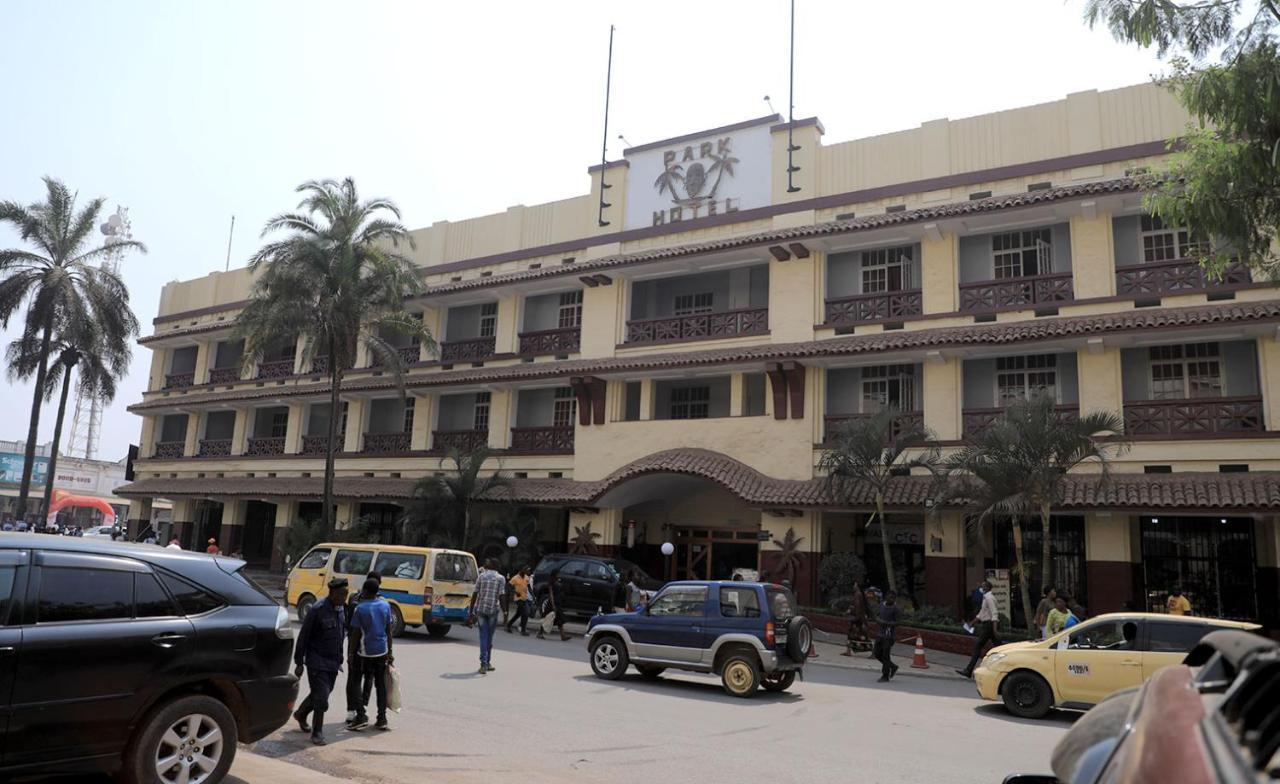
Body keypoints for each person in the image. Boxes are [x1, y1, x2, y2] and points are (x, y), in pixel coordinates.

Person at [293, 578, 349, 745]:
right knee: (322, 698)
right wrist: (299, 662)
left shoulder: (341, 609)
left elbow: (340, 634)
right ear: (332, 593)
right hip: (317, 661)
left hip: (333, 662)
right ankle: (317, 732)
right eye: (341, 594)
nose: (344, 597)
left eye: (346, 594)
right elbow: (303, 637)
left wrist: (340, 656)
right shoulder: (317, 610)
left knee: (322, 693)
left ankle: (301, 713)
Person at [349, 577, 394, 731]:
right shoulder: (385, 605)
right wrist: (390, 653)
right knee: (380, 685)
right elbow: (388, 631)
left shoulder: (360, 608)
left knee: (355, 682)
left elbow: (355, 634)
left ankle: (361, 714)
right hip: (382, 651)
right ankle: (382, 718)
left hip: (365, 652)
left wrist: (350, 654)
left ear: (366, 591)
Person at [346, 570, 382, 724]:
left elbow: (349, 625)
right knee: (368, 677)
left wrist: (350, 652)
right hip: (370, 646)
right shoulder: (381, 602)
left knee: (354, 677)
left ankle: (352, 709)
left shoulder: (353, 598)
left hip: (354, 643)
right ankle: (362, 708)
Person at [957, 580, 1000, 679]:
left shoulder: (989, 598)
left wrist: (995, 629)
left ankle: (968, 670)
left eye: (983, 587)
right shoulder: (986, 598)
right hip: (988, 625)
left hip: (989, 626)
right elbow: (981, 614)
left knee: (977, 647)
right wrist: (971, 623)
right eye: (982, 586)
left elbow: (994, 614)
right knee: (998, 648)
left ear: (988, 588)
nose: (982, 588)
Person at [470, 558, 505, 673]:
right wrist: (505, 612)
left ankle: (484, 664)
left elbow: (475, 593)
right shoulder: (500, 578)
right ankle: (487, 662)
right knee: (489, 637)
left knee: (483, 637)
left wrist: (471, 611)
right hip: (493, 610)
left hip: (481, 609)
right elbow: (502, 596)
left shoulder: (482, 576)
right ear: (497, 567)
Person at [873, 590, 902, 682]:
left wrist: (888, 623)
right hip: (880, 634)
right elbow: (877, 615)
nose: (892, 599)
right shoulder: (882, 605)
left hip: (889, 636)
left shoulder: (896, 609)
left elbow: (898, 622)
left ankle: (885, 676)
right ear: (886, 597)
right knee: (877, 653)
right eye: (890, 597)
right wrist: (878, 620)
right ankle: (892, 666)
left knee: (886, 655)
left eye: (893, 598)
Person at [538, 568, 570, 641]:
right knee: (547, 618)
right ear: (555, 574)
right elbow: (551, 594)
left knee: (560, 620)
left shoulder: (558, 581)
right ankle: (540, 633)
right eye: (558, 573)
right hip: (553, 603)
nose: (559, 575)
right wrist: (553, 605)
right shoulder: (551, 582)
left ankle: (563, 636)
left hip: (558, 602)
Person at [843, 578, 869, 656]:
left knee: (860, 635)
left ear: (857, 585)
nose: (853, 586)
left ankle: (873, 651)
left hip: (858, 618)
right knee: (852, 634)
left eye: (854, 584)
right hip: (859, 618)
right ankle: (848, 650)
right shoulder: (858, 594)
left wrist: (854, 614)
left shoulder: (858, 594)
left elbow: (858, 607)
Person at [506, 566, 532, 635]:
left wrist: (533, 596)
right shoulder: (515, 578)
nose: (528, 572)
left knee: (518, 614)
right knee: (526, 613)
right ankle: (523, 630)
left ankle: (508, 625)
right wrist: (514, 591)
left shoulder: (526, 577)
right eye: (526, 570)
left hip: (524, 597)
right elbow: (508, 586)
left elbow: (528, 587)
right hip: (518, 598)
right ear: (522, 570)